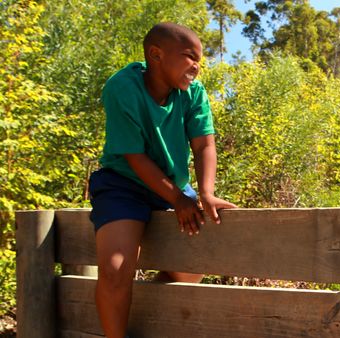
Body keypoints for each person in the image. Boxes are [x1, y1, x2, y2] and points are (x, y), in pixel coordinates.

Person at [88, 22, 236, 338]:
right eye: (188, 56)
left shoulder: (193, 93)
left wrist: (205, 194)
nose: (196, 66)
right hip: (123, 185)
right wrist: (178, 199)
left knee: (191, 269)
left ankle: (141, 300)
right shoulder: (122, 88)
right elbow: (135, 156)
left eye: (199, 59)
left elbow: (204, 144)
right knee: (116, 270)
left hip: (172, 185)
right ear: (156, 55)